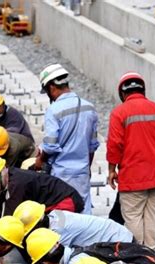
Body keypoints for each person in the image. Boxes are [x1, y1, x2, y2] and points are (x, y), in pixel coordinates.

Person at [107, 72, 155, 250]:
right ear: (143, 90)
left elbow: (115, 145)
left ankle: (137, 255)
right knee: (153, 215)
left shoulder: (119, 113)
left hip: (133, 177)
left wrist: (112, 169)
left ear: (122, 93)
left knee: (133, 216)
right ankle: (152, 253)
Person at [35, 63, 99, 214]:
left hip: (61, 173)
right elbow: (92, 145)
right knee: (84, 213)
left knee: (63, 216)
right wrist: (87, 168)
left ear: (51, 87)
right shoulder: (89, 108)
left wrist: (41, 160)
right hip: (82, 172)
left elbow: (50, 145)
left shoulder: (54, 110)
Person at [0, 154, 84, 219]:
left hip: (65, 202)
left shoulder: (16, 185)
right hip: (52, 203)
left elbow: (9, 219)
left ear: (0, 175)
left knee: (53, 233)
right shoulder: (8, 181)